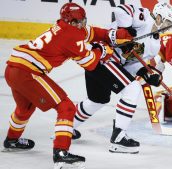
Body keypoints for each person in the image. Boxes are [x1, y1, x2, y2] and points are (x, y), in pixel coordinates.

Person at [2, 2, 133, 168]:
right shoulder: (71, 36)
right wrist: (104, 50)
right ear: (70, 22)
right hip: (27, 73)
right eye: (78, 22)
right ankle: (61, 153)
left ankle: (12, 140)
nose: (82, 24)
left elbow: (91, 32)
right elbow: (91, 63)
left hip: (13, 69)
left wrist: (114, 35)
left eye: (83, 20)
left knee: (25, 108)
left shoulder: (64, 26)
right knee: (67, 107)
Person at [72, 2, 172, 154]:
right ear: (159, 17)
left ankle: (66, 127)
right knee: (131, 89)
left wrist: (145, 73)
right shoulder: (144, 17)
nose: (168, 27)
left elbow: (131, 64)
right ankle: (118, 138)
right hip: (102, 54)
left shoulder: (155, 44)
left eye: (171, 24)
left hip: (107, 63)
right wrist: (126, 31)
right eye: (167, 22)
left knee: (98, 99)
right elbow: (120, 10)